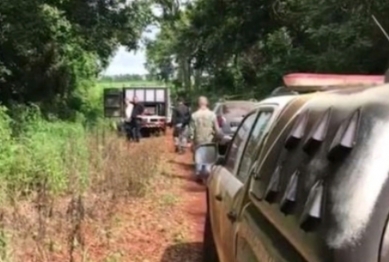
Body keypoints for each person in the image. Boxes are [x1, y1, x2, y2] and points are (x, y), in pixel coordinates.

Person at [189, 96, 222, 178]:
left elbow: (191, 130)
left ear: (198, 103)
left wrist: (191, 140)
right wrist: (219, 137)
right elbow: (217, 129)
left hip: (198, 141)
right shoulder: (212, 115)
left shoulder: (194, 115)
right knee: (209, 160)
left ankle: (198, 174)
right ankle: (208, 175)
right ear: (207, 103)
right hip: (210, 140)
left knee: (198, 159)